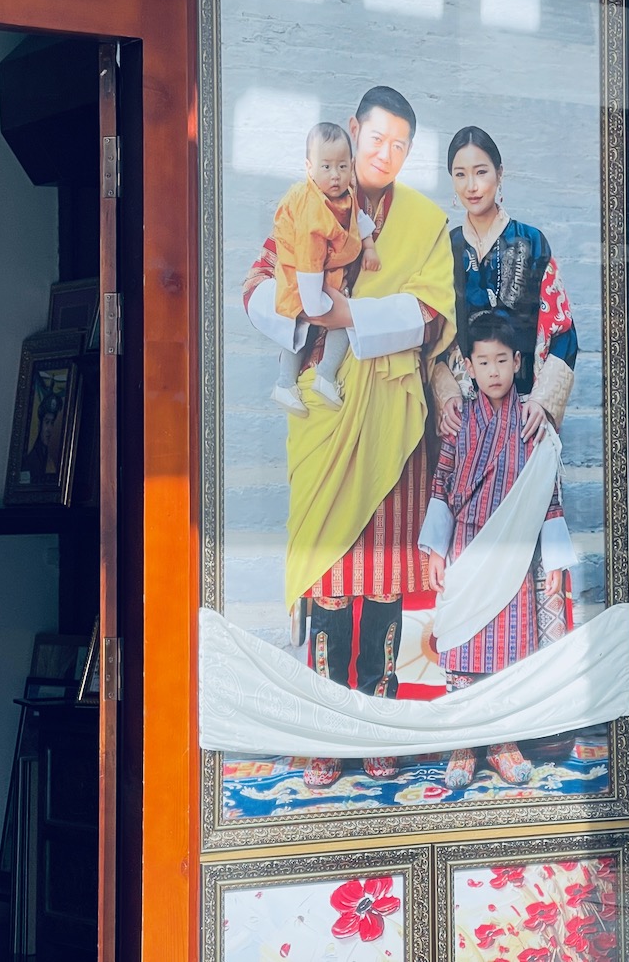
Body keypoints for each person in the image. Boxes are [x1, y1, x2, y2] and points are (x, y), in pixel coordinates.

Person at [242, 86, 456, 788]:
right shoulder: (304, 200)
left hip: (395, 415)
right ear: (355, 130)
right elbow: (257, 286)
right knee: (329, 576)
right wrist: (307, 318)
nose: (384, 154)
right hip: (326, 417)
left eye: (400, 144)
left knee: (387, 577)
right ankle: (327, 733)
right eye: (376, 138)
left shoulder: (425, 220)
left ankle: (380, 721)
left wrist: (346, 314)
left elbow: (433, 313)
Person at [419, 310, 575, 789]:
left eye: (501, 361)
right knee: (462, 642)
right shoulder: (458, 421)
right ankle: (465, 743)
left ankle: (504, 742)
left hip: (511, 554)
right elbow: (442, 485)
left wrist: (554, 562)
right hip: (467, 547)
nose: (492, 371)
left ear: (518, 362)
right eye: (482, 362)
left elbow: (547, 493)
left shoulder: (531, 420)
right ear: (467, 365)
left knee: (509, 648)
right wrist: (436, 551)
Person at [436, 126, 578, 448]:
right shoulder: (446, 249)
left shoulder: (532, 241)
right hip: (466, 417)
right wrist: (445, 396)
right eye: (460, 175)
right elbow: (432, 339)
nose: (471, 186)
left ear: (500, 174)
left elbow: (564, 332)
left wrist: (541, 403)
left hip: (527, 415)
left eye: (481, 172)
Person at [269, 122, 381, 415]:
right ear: (309, 168)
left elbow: (358, 219)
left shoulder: (345, 194)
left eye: (342, 166)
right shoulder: (312, 210)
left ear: (352, 165)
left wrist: (369, 247)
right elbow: (307, 259)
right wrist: (315, 303)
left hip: (326, 274)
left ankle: (325, 376)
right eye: (327, 166)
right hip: (302, 278)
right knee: (300, 330)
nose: (335, 175)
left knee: (347, 320)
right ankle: (284, 383)